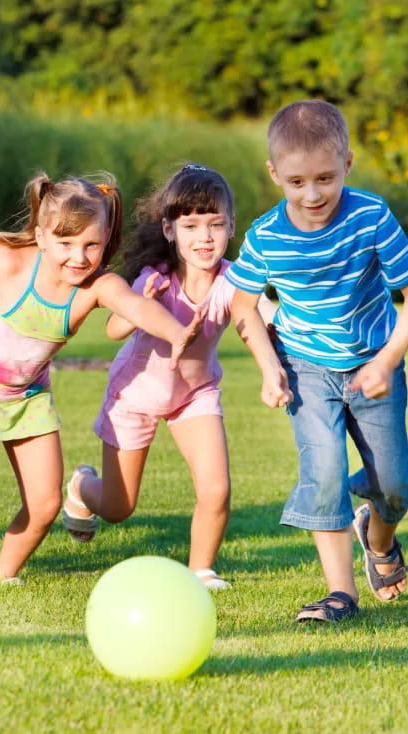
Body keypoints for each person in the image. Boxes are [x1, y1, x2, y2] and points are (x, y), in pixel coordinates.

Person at [0, 141, 203, 583]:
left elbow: (135, 306)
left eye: (91, 245)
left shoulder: (95, 287)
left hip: (27, 397)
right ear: (42, 236)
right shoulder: (9, 262)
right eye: (65, 243)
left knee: (44, 505)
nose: (78, 257)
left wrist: (177, 332)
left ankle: (1, 577)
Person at [226, 100, 408, 622]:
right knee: (323, 472)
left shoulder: (370, 216)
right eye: (296, 182)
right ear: (275, 174)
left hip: (372, 366)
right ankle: (341, 593)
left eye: (325, 177)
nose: (312, 194)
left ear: (348, 163)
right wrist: (270, 367)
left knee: (394, 485)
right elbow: (242, 304)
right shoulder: (266, 236)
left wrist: (387, 361)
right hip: (307, 370)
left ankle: (378, 538)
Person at [61, 164, 276, 591]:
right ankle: (82, 486)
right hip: (134, 395)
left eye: (215, 224)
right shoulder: (155, 278)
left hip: (194, 395)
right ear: (169, 228)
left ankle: (201, 570)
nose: (205, 237)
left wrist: (281, 355)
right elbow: (114, 330)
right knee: (118, 507)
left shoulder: (234, 280)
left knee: (216, 489)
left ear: (232, 226)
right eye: (191, 225)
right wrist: (139, 302)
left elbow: (261, 317)